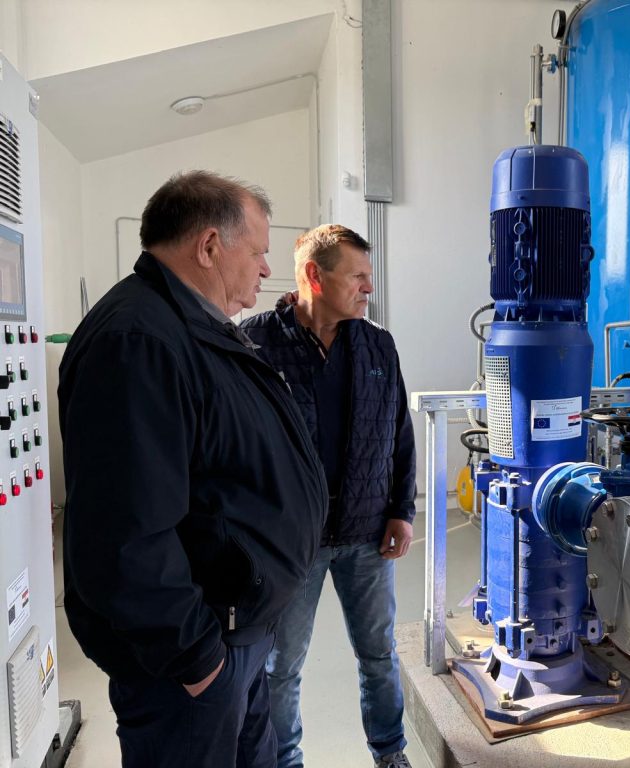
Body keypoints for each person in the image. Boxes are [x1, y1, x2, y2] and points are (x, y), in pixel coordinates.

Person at [58, 171, 329, 768]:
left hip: (236, 634)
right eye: (256, 253)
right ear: (208, 246)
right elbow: (125, 532)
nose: (265, 270)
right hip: (193, 663)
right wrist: (198, 660)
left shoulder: (191, 327)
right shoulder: (139, 340)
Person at [240, 224, 416, 768]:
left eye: (369, 276)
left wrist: (401, 510)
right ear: (315, 276)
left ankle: (390, 753)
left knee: (378, 654)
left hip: (367, 534)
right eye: (357, 276)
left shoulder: (377, 344)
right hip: (293, 542)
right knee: (282, 665)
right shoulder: (255, 344)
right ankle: (283, 760)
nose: (369, 288)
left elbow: (399, 433)